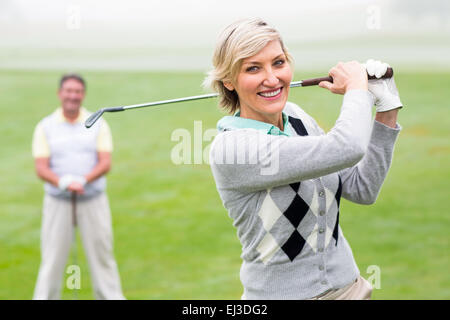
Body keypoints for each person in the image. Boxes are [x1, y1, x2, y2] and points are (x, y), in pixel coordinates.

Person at [205, 18, 402, 300]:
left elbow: (362, 188)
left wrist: (386, 108)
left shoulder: (297, 117)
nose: (272, 79)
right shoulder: (233, 149)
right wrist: (357, 89)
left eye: (279, 62)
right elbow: (347, 146)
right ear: (228, 81)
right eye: (253, 68)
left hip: (351, 290)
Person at [32, 73, 125, 300]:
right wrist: (63, 182)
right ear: (60, 93)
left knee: (102, 257)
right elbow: (41, 167)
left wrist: (83, 180)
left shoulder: (97, 123)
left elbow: (105, 162)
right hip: (57, 200)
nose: (73, 96)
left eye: (77, 92)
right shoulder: (46, 126)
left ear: (83, 95)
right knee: (52, 258)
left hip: (92, 199)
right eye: (69, 91)